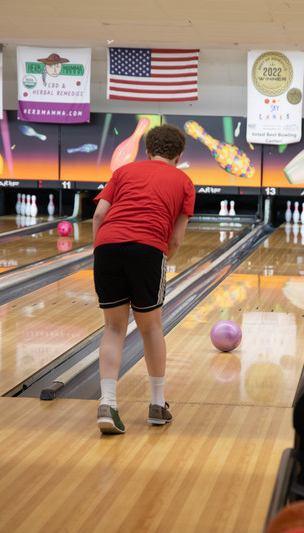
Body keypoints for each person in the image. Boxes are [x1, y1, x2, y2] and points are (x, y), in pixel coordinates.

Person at [92, 123, 195, 434]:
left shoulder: (123, 171)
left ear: (147, 152)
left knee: (113, 328)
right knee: (150, 328)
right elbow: (175, 240)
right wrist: (158, 260)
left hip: (107, 244)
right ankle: (157, 405)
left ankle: (107, 404)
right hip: (148, 248)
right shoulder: (184, 181)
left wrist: (100, 250)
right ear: (179, 156)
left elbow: (99, 215)